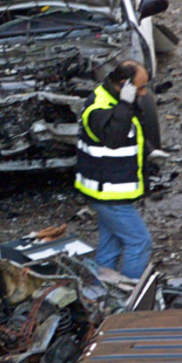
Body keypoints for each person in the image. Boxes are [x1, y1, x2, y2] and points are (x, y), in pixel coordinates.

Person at [74, 60, 153, 279]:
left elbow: (131, 133)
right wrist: (126, 104)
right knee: (140, 242)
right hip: (108, 194)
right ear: (124, 84)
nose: (144, 93)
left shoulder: (117, 99)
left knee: (111, 247)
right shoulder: (99, 107)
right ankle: (129, 292)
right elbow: (114, 139)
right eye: (140, 88)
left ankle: (100, 291)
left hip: (109, 191)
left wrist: (149, 153)